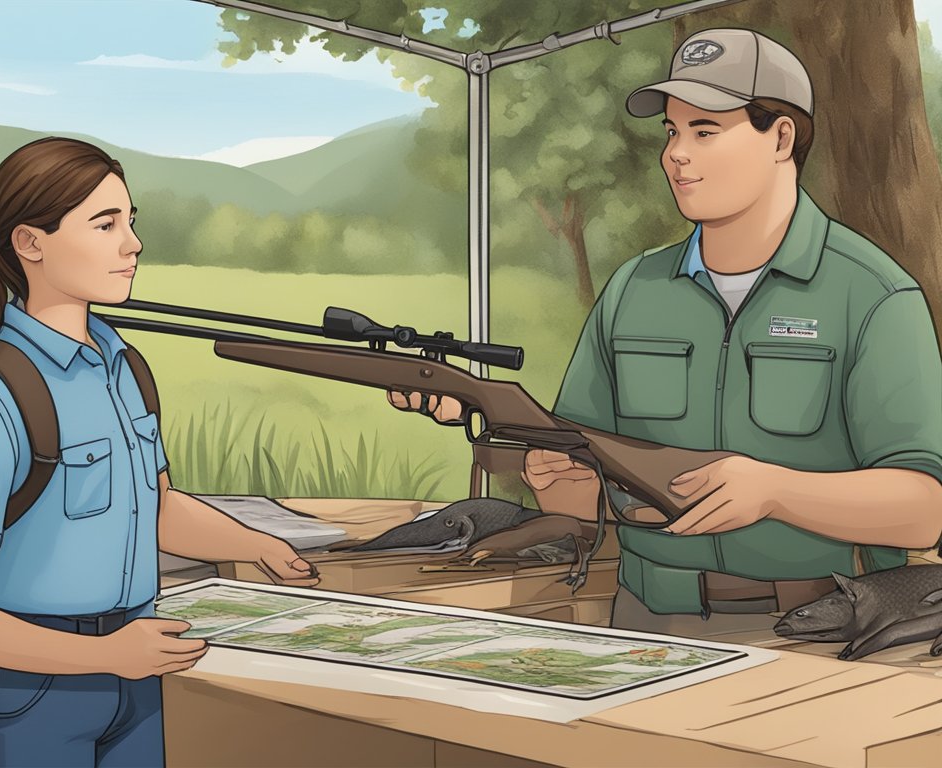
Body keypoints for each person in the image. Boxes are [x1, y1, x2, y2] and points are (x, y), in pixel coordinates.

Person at [392, 28, 942, 637]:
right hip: (642, 619)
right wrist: (555, 478)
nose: (676, 154)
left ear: (781, 137)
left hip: (818, 630)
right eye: (672, 132)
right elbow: (589, 495)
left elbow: (923, 511)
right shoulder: (634, 289)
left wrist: (776, 491)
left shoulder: (873, 294)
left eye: (705, 131)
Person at [0, 136, 319, 768]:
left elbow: (157, 508)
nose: (132, 244)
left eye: (131, 222)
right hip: (37, 687)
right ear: (30, 243)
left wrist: (258, 546)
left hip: (139, 665)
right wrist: (107, 656)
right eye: (105, 224)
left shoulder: (124, 367)